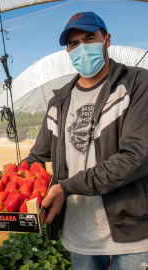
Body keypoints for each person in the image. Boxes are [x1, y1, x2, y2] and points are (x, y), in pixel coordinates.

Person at [25, 11, 148, 269]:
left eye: (89, 38)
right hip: (79, 232)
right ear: (68, 51)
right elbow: (37, 157)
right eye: (73, 43)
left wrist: (66, 187)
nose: (82, 47)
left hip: (132, 232)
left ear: (107, 40)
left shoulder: (137, 83)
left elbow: (136, 157)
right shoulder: (59, 102)